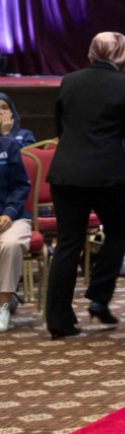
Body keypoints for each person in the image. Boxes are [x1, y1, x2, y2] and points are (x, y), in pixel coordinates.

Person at [45, 32, 125, 339]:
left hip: (66, 173)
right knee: (118, 232)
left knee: (68, 244)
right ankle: (99, 296)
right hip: (108, 175)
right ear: (123, 56)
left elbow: (60, 127)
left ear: (92, 52)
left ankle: (58, 321)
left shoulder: (69, 81)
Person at [0, 129, 32, 331]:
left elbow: (21, 186)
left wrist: (9, 213)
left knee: (10, 244)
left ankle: (3, 305)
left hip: (13, 216)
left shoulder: (8, 146)